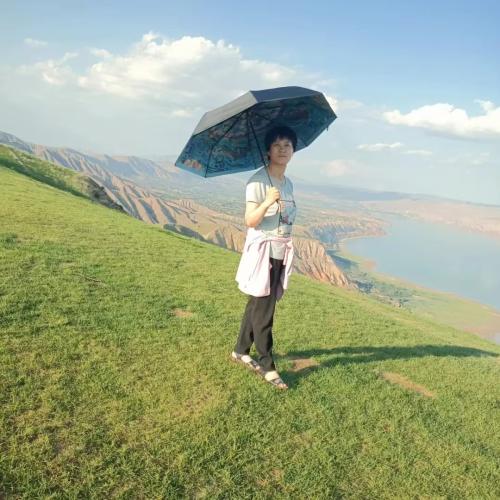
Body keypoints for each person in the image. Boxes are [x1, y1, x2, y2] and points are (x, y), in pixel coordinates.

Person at [231, 125, 297, 390]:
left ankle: (240, 350)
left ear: (293, 150)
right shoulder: (257, 182)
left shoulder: (288, 183)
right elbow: (250, 220)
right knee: (264, 310)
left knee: (257, 304)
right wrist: (267, 202)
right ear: (268, 150)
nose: (283, 150)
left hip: (280, 251)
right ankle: (267, 364)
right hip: (264, 253)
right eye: (277, 145)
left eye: (287, 145)